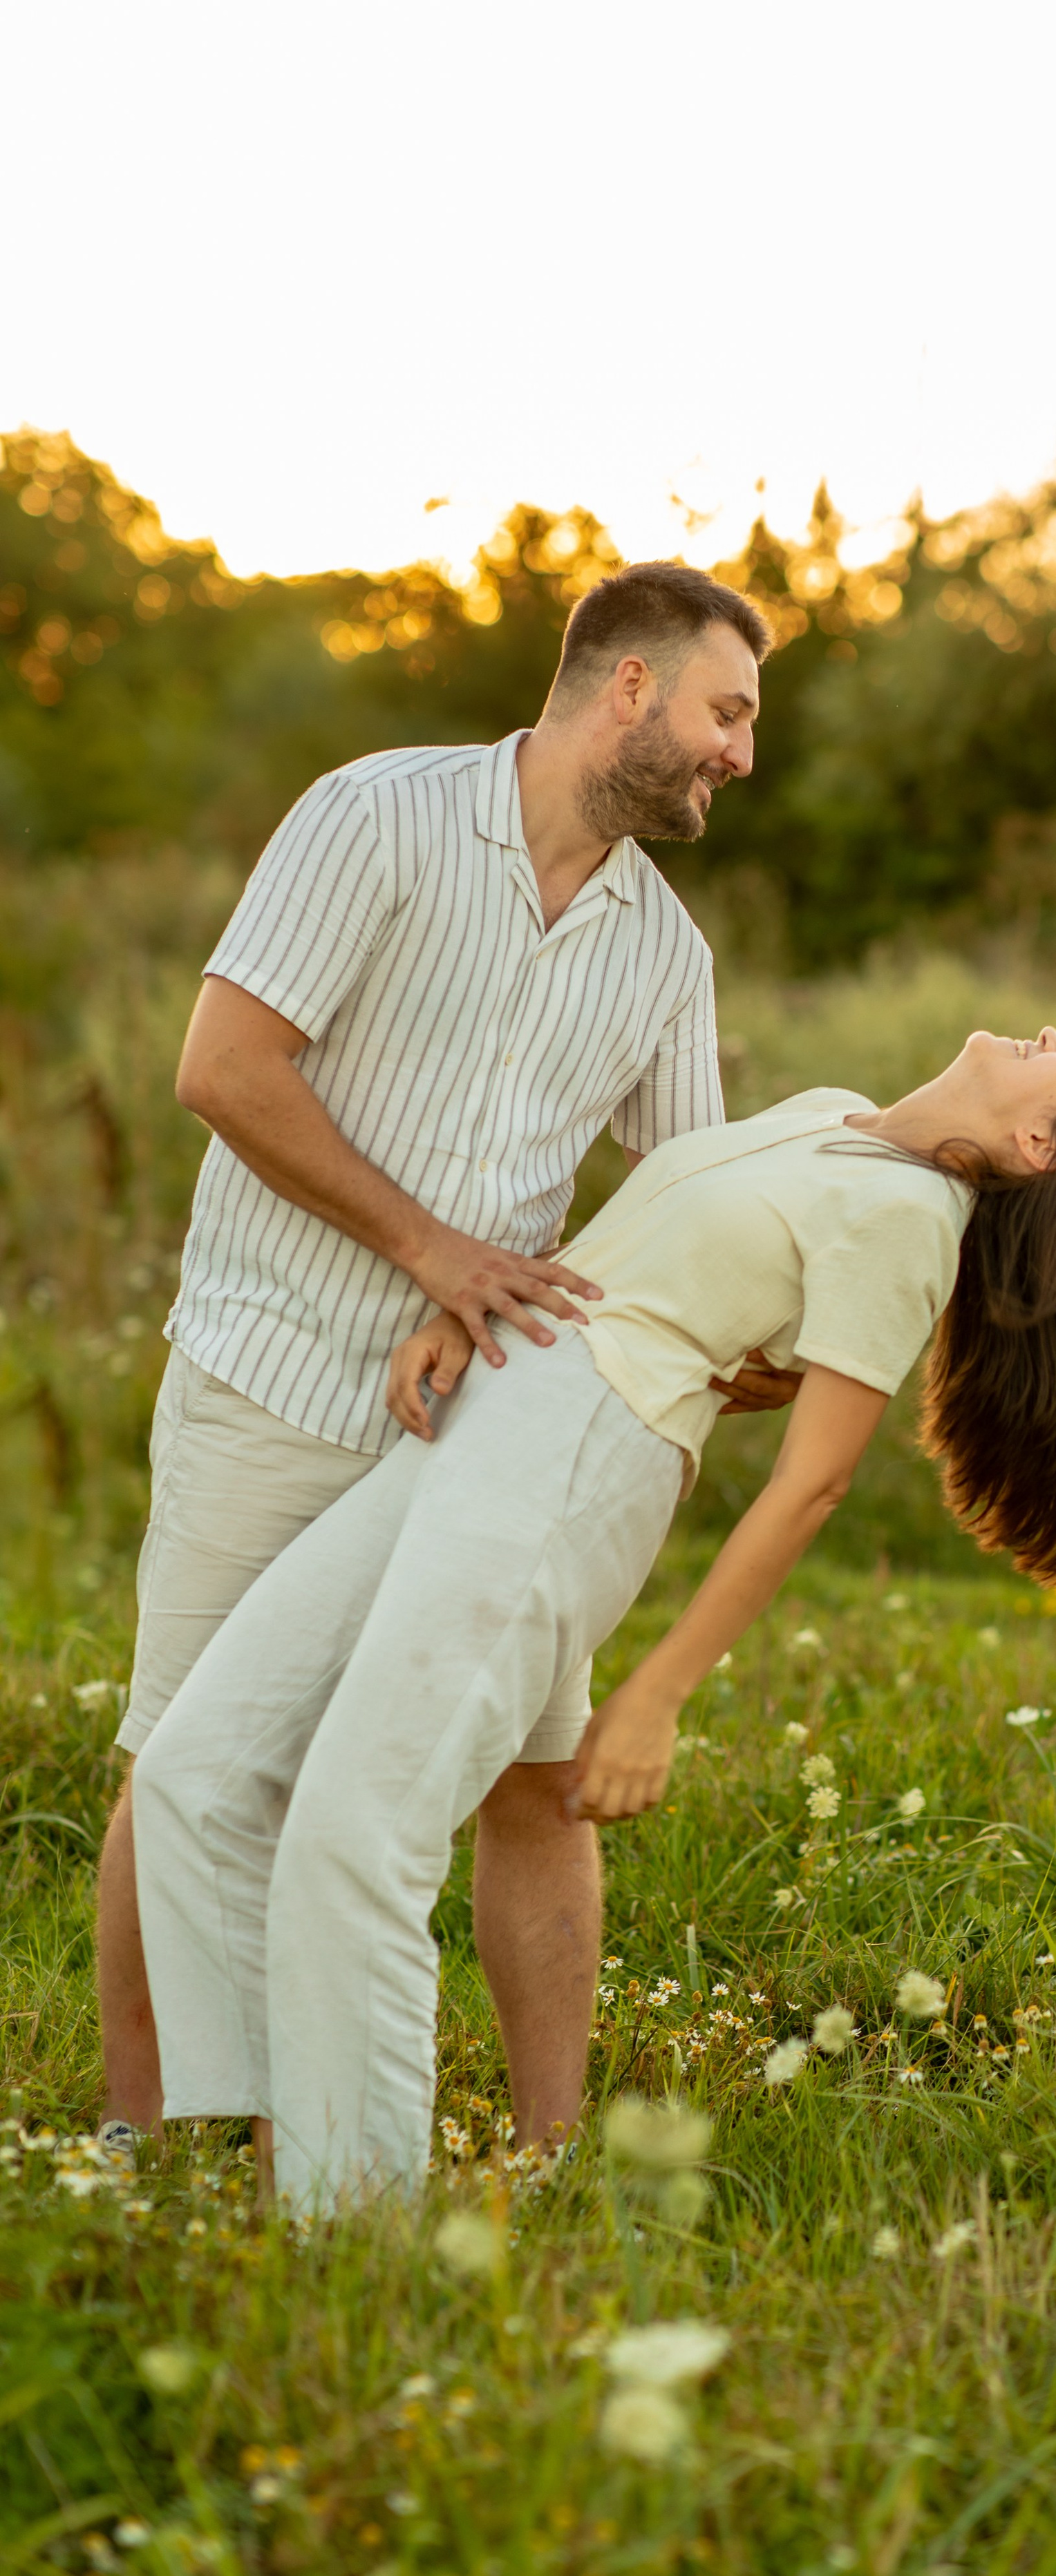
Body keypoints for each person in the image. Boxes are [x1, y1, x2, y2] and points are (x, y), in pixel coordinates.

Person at [131, 1028, 1056, 2211]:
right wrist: (470, 1312)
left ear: (1034, 1144)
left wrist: (655, 1694)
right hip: (486, 1408)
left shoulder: (911, 1224)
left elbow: (811, 1483)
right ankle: (260, 2140)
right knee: (197, 1767)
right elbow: (622, 1254)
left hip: (574, 1461)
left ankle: (351, 2228)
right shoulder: (830, 1104)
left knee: (360, 1832)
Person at [97, 562, 800, 2173]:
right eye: (725, 711)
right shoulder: (376, 819)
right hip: (272, 1377)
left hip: (481, 1435)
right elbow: (224, 1066)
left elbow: (684, 1198)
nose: (738, 755)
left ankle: (553, 2154)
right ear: (628, 688)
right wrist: (438, 1255)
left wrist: (742, 1330)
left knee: (537, 1781)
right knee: (191, 1761)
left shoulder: (661, 957)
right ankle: (145, 2146)